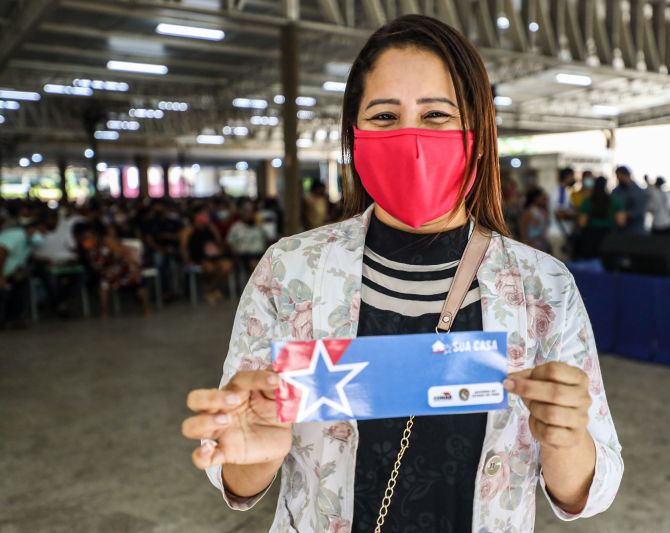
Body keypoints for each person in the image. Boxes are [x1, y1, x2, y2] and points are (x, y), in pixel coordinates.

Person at [181, 15, 622, 533]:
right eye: (385, 116)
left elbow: (588, 491)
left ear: (477, 134)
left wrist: (566, 439)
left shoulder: (543, 287)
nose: (412, 139)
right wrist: (257, 454)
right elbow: (239, 474)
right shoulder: (290, 270)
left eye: (436, 114)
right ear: (354, 136)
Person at [79, 224, 150, 318]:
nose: (86, 238)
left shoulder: (107, 241)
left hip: (124, 266)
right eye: (84, 237)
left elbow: (125, 253)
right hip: (109, 271)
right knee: (103, 283)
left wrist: (133, 267)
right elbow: (95, 264)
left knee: (138, 281)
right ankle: (104, 311)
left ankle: (146, 308)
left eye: (89, 236)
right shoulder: (89, 248)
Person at [180, 208, 234, 304]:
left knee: (227, 266)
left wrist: (213, 229)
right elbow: (184, 247)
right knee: (210, 269)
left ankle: (209, 289)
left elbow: (219, 242)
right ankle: (212, 291)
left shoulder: (210, 228)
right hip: (199, 257)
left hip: (215, 255)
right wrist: (187, 260)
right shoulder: (189, 230)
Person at [0, 219, 44, 329]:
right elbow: (1, 254)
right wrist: (0, 278)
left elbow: (19, 258)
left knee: (22, 282)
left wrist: (18, 271)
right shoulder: (16, 236)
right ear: (31, 229)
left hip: (9, 273)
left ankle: (13, 318)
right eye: (38, 231)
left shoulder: (28, 241)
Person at [575, 176, 626, 259]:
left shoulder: (587, 201)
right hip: (609, 238)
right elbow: (621, 222)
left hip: (590, 238)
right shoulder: (616, 201)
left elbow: (582, 223)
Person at [226, 202, 269, 273]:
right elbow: (229, 244)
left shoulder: (259, 227)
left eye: (251, 212)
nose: (249, 214)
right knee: (255, 264)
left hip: (261, 254)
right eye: (247, 211)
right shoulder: (236, 227)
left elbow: (266, 240)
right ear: (242, 213)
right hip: (244, 256)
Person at [548, 166, 577, 259]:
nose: (574, 179)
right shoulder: (561, 192)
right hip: (559, 234)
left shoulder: (562, 191)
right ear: (568, 177)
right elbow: (560, 213)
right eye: (573, 176)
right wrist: (576, 216)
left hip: (559, 233)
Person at [611, 165, 648, 234]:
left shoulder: (638, 191)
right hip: (619, 231)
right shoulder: (616, 191)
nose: (619, 179)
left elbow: (639, 209)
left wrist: (625, 215)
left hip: (635, 230)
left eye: (621, 177)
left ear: (627, 175)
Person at [519, 187, 551, 252]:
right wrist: (525, 241)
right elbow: (523, 227)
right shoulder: (529, 211)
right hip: (532, 242)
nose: (544, 200)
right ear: (535, 198)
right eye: (542, 198)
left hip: (543, 242)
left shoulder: (543, 210)